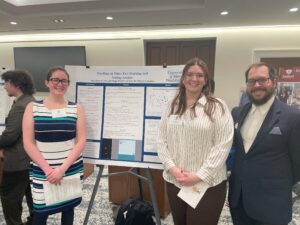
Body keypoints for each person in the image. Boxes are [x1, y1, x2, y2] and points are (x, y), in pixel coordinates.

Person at [157, 58, 234, 225]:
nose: (194, 79)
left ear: (205, 80)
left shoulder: (218, 107)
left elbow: (223, 146)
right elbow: (161, 140)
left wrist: (199, 176)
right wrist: (173, 169)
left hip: (207, 185)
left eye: (200, 75)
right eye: (190, 74)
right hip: (175, 181)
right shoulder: (172, 105)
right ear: (183, 78)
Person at [228, 62, 300, 225]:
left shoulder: (293, 117)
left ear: (274, 82)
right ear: (247, 85)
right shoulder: (237, 113)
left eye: (262, 80)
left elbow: (298, 164)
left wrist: (275, 182)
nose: (257, 85)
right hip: (238, 200)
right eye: (251, 81)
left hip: (271, 205)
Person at [22, 67, 86, 225]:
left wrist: (61, 170)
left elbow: (81, 140)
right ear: (47, 82)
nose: (60, 84)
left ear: (68, 84)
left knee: (68, 208)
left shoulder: (76, 108)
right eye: (55, 80)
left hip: (70, 168)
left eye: (64, 80)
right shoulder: (33, 107)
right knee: (41, 212)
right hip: (42, 171)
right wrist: (49, 170)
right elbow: (28, 142)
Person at [0, 70, 35, 225]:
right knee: (32, 197)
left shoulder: (21, 106)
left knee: (10, 200)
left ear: (17, 85)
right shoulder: (30, 101)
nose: (5, 87)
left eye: (7, 83)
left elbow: (9, 136)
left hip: (17, 162)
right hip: (28, 160)